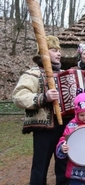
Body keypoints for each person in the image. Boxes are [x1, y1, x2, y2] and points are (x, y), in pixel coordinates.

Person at [12, 35, 71, 185]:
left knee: (64, 163)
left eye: (59, 50)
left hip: (65, 127)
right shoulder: (32, 73)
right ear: (43, 52)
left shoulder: (65, 74)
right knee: (40, 165)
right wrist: (43, 97)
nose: (59, 53)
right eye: (54, 50)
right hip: (44, 128)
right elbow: (19, 96)